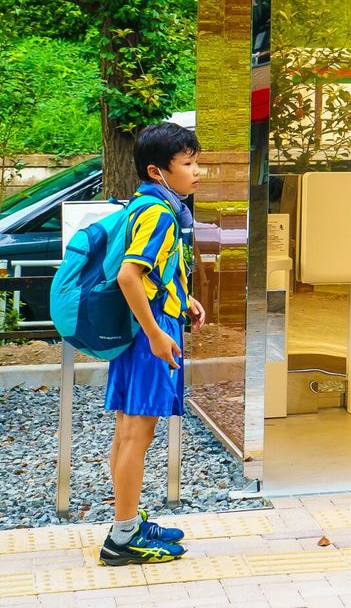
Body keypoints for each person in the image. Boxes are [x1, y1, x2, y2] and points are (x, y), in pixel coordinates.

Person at [99, 122, 206, 565]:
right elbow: (129, 276)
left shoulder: (144, 204)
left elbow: (148, 273)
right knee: (137, 435)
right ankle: (123, 540)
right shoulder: (161, 214)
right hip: (148, 334)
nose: (197, 172)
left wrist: (184, 298)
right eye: (187, 163)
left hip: (139, 328)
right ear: (158, 170)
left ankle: (127, 522)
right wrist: (158, 334)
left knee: (127, 431)